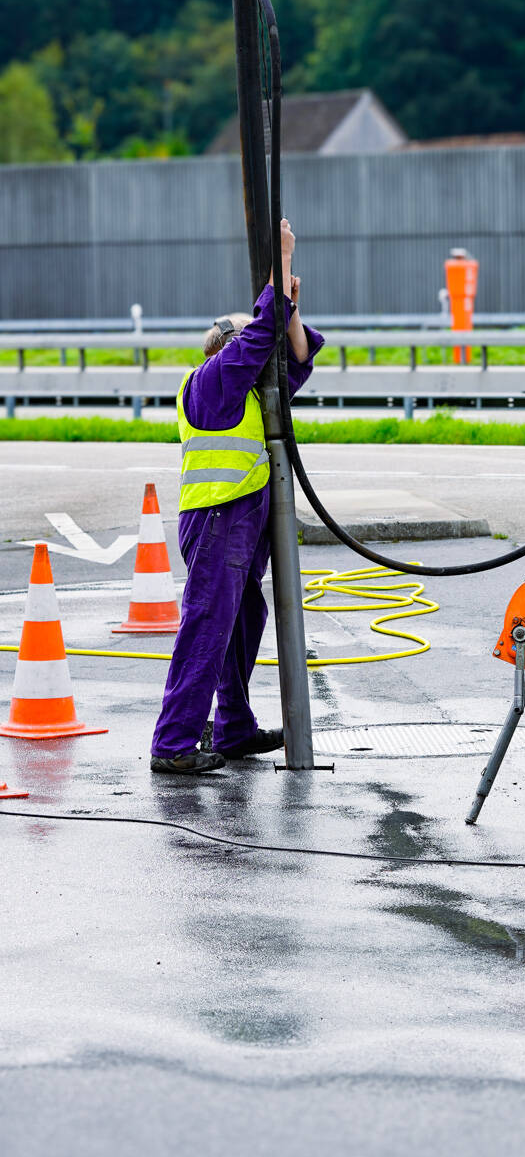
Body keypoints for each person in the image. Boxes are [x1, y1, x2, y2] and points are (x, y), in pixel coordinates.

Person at [150, 218, 324, 775]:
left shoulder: (250, 391)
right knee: (208, 621)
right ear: (228, 348)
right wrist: (280, 258)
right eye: (255, 345)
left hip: (241, 520)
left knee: (243, 619)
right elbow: (260, 338)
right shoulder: (213, 380)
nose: (264, 356)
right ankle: (174, 742)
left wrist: (288, 300)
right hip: (218, 518)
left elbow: (298, 359)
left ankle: (232, 728)